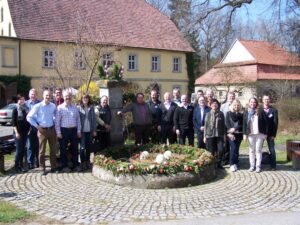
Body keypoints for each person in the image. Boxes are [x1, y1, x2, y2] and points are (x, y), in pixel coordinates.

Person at [27, 90, 58, 175]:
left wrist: (54, 122)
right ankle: (42, 168)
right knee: (41, 151)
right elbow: (29, 117)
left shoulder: (53, 106)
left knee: (53, 150)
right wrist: (37, 126)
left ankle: (53, 167)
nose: (48, 97)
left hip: (51, 130)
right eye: (46, 95)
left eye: (49, 95)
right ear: (43, 96)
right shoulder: (38, 106)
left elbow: (55, 116)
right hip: (42, 131)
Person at [55, 91, 81, 172]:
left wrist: (79, 131)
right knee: (63, 148)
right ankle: (64, 166)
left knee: (75, 148)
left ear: (71, 97)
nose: (67, 98)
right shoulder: (59, 108)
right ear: (63, 96)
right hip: (64, 130)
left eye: (69, 96)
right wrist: (58, 133)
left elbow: (78, 120)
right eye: (66, 96)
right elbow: (57, 122)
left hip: (73, 130)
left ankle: (75, 164)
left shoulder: (75, 107)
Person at [243, 97, 268, 173]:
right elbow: (244, 123)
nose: (252, 103)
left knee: (258, 150)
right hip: (250, 134)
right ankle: (252, 165)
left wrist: (266, 133)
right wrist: (244, 134)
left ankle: (258, 166)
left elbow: (266, 123)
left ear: (256, 103)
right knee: (251, 150)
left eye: (254, 102)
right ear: (249, 103)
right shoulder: (246, 112)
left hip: (259, 134)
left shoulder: (261, 111)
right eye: (251, 102)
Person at [204, 99, 225, 169]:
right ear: (211, 105)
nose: (214, 105)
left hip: (219, 135)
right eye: (213, 104)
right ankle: (212, 165)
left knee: (221, 150)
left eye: (216, 104)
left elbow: (223, 125)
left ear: (218, 105)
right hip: (210, 135)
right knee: (211, 151)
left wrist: (224, 135)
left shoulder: (221, 114)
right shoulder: (208, 114)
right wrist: (205, 136)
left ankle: (219, 163)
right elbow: (206, 126)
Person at [78, 94, 97, 170]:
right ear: (81, 99)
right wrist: (78, 131)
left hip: (89, 131)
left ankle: (87, 161)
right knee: (82, 148)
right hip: (82, 131)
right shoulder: (78, 108)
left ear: (88, 99)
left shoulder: (91, 108)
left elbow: (94, 120)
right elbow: (77, 120)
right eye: (83, 98)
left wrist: (94, 130)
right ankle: (82, 163)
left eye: (86, 98)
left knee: (89, 147)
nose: (85, 99)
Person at [12, 94, 30, 173]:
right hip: (18, 133)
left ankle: (21, 166)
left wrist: (29, 129)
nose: (21, 101)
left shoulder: (26, 109)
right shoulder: (15, 110)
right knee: (19, 150)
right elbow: (14, 123)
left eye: (23, 99)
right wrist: (16, 133)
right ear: (17, 101)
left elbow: (28, 121)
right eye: (20, 99)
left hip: (25, 132)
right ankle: (16, 166)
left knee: (23, 150)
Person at [225, 99, 243, 172]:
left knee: (236, 149)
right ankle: (231, 164)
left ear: (239, 106)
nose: (236, 106)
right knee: (233, 148)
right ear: (232, 105)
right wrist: (230, 131)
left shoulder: (241, 114)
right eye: (235, 105)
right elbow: (227, 123)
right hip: (230, 134)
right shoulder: (228, 113)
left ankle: (235, 163)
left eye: (238, 105)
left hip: (239, 134)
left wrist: (235, 128)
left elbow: (242, 124)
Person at [25, 88, 41, 169]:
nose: (33, 96)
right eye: (31, 94)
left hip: (38, 127)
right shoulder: (25, 104)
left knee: (38, 145)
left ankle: (38, 161)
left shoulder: (40, 103)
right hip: (29, 128)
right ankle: (30, 162)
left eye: (34, 94)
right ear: (29, 95)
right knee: (30, 145)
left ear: (36, 95)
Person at [262, 94, 278, 170]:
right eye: (265, 99)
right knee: (258, 149)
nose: (266, 101)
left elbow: (275, 123)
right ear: (262, 100)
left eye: (268, 99)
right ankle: (257, 164)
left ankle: (273, 165)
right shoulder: (259, 110)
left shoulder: (274, 110)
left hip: (270, 134)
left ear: (270, 100)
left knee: (272, 149)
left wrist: (274, 134)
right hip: (261, 133)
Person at [221, 91, 236, 165]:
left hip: (234, 129)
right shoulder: (223, 106)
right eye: (230, 96)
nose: (231, 98)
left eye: (233, 96)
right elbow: (221, 117)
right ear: (227, 97)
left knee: (234, 145)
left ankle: (234, 160)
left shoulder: (237, 105)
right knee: (226, 145)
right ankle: (226, 159)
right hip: (225, 128)